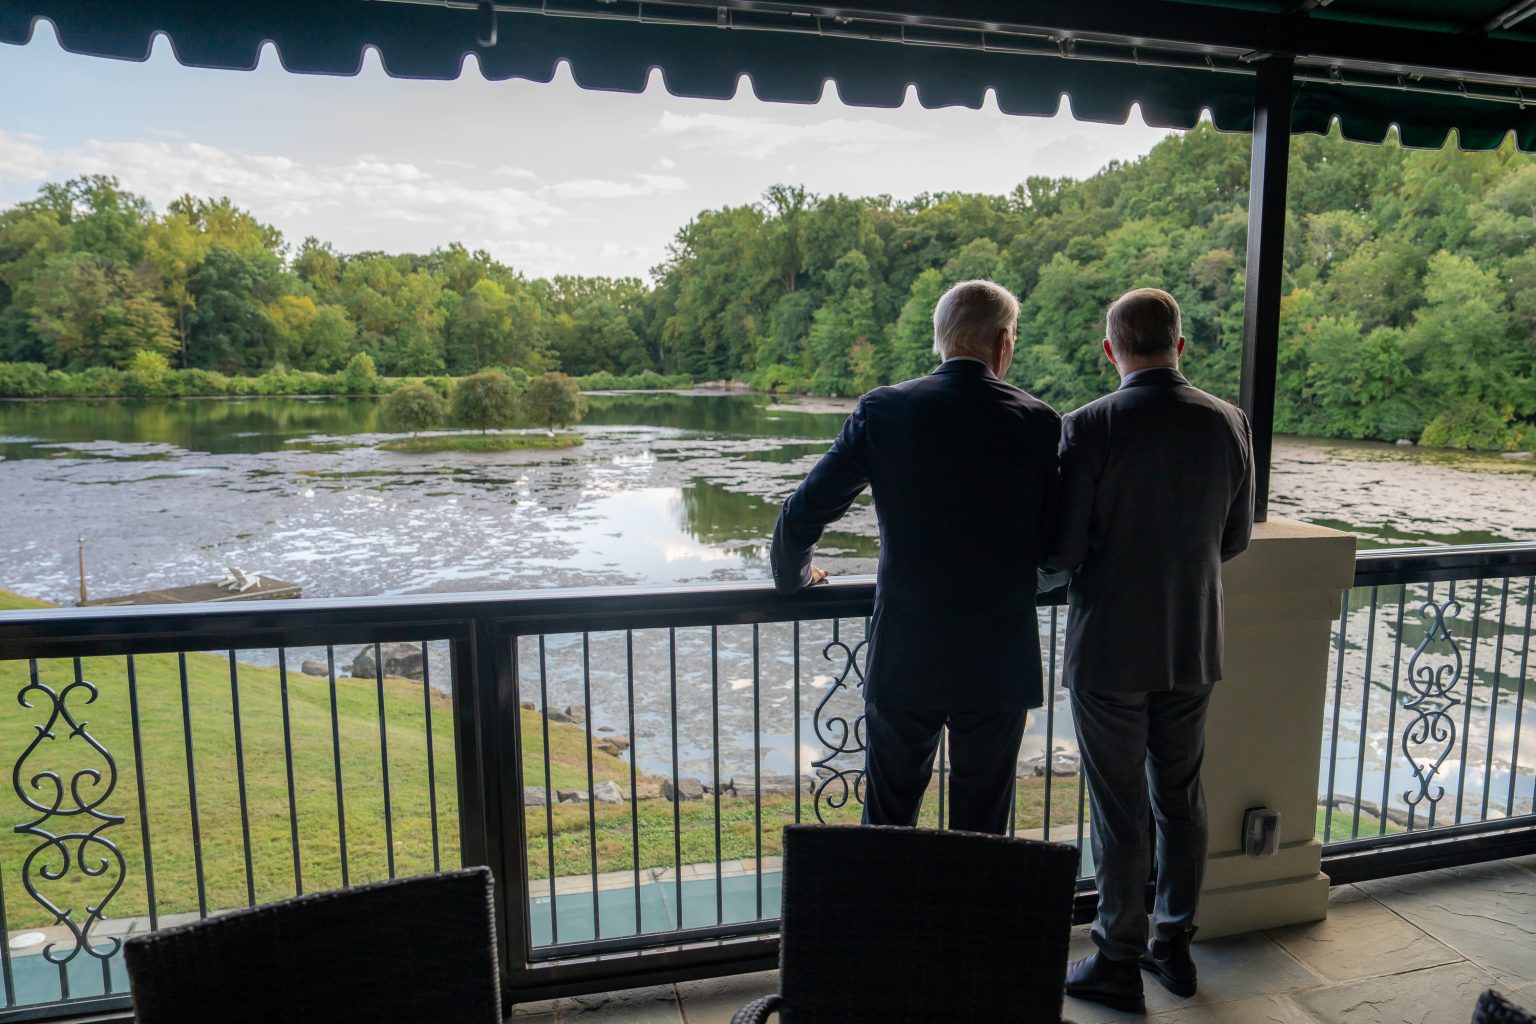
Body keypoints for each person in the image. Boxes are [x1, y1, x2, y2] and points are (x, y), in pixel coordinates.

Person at [770, 279, 1061, 835]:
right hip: (999, 656)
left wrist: (795, 576)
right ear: (1003, 344)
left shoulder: (885, 410)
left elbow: (805, 510)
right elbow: (1057, 540)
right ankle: (968, 924)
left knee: (888, 818)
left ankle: (885, 922)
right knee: (982, 827)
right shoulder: (1040, 422)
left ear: (940, 341)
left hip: (908, 649)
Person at [1043, 288, 1254, 1013]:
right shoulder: (1229, 422)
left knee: (1120, 808)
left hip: (1108, 651)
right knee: (1181, 799)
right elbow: (1234, 539)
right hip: (1193, 643)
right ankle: (1175, 947)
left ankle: (1115, 957)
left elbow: (1064, 550)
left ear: (1111, 352)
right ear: (1180, 346)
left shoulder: (1089, 427)